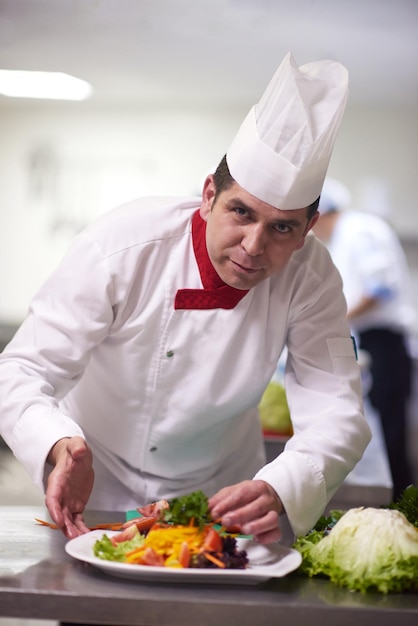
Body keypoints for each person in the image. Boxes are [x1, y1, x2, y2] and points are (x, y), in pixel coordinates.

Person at [0, 52, 371, 542]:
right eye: (241, 212)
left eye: (282, 227)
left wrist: (282, 486)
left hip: (221, 501)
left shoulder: (312, 276)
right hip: (95, 491)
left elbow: (336, 409)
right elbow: (21, 371)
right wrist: (57, 442)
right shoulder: (120, 246)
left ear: (307, 230)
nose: (254, 246)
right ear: (208, 196)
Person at [313, 178, 416, 499]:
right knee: (382, 432)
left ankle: (403, 509)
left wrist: (333, 321)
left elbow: (379, 289)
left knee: (390, 434)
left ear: (321, 214)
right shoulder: (344, 236)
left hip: (386, 342)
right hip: (371, 340)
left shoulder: (360, 229)